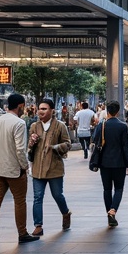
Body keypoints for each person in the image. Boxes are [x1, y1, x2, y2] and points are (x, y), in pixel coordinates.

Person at [0, 92, 39, 246]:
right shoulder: (19, 123)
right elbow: (20, 149)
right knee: (20, 201)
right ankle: (22, 233)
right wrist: (24, 166)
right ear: (21, 106)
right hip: (14, 170)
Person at [27, 98, 72, 236]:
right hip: (37, 169)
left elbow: (68, 144)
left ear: (52, 111)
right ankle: (38, 225)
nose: (41, 111)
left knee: (57, 195)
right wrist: (31, 142)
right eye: (39, 108)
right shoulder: (34, 126)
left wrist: (55, 147)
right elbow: (29, 146)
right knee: (37, 197)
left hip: (54, 168)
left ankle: (66, 213)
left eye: (44, 109)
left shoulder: (60, 126)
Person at [92, 101, 128, 227]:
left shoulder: (101, 125)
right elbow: (126, 146)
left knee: (107, 189)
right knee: (119, 188)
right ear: (118, 111)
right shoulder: (122, 126)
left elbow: (95, 139)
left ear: (107, 111)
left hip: (104, 163)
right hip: (119, 163)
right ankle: (113, 210)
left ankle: (108, 213)